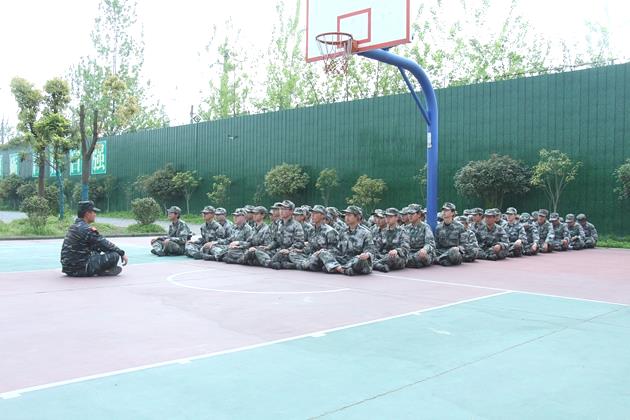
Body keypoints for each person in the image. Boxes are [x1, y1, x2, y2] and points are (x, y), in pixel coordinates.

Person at [61, 200, 128, 277]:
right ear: (87, 214)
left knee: (96, 250)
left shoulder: (73, 227)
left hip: (68, 269)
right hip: (81, 269)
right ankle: (103, 270)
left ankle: (104, 270)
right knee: (114, 255)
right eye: (93, 212)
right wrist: (121, 253)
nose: (95, 214)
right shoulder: (87, 229)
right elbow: (104, 244)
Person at [319, 206, 375, 276]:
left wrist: (366, 255)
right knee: (323, 253)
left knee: (360, 259)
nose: (346, 217)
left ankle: (335, 267)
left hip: (357, 260)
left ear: (357, 217)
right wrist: (325, 251)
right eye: (346, 215)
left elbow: (370, 251)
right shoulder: (343, 231)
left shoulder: (366, 233)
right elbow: (337, 249)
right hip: (344, 260)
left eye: (349, 215)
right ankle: (342, 269)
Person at [289, 205, 339, 271]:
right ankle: (305, 264)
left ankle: (301, 265)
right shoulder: (311, 230)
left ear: (323, 216)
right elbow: (310, 247)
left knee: (316, 258)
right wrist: (300, 251)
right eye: (312, 213)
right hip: (311, 256)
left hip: (321, 257)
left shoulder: (330, 231)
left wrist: (320, 252)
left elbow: (335, 251)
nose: (312, 215)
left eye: (315, 213)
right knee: (292, 253)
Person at [373, 208, 410, 272]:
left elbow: (405, 248)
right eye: (386, 216)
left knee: (392, 257)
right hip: (383, 256)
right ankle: (379, 265)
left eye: (390, 217)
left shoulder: (402, 231)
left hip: (397, 257)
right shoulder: (382, 231)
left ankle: (375, 264)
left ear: (397, 217)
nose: (387, 219)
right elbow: (377, 247)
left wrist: (396, 250)